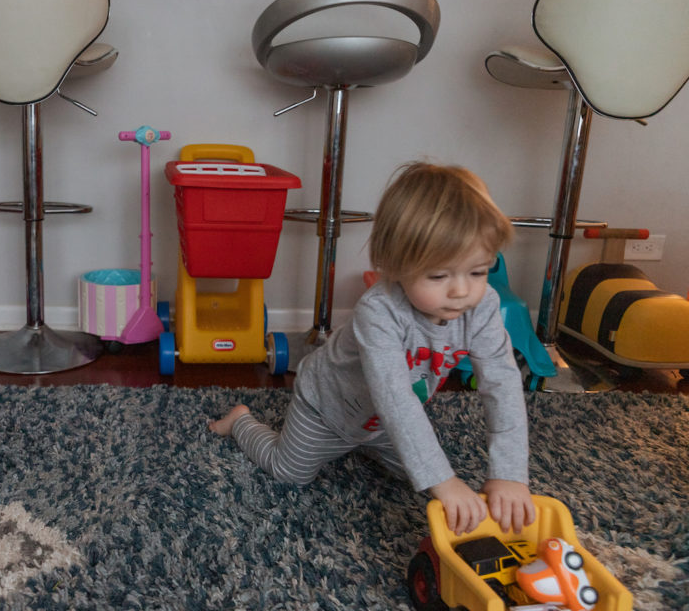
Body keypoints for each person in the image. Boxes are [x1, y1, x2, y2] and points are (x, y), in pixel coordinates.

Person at [209, 162, 535, 536]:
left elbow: (502, 385)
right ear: (395, 266)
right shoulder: (378, 311)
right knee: (290, 473)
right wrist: (443, 480)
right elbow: (394, 397)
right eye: (439, 276)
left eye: (478, 272)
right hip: (326, 409)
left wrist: (509, 474)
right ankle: (240, 422)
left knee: (428, 483)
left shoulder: (483, 306)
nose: (462, 291)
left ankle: (368, 446)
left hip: (381, 423)